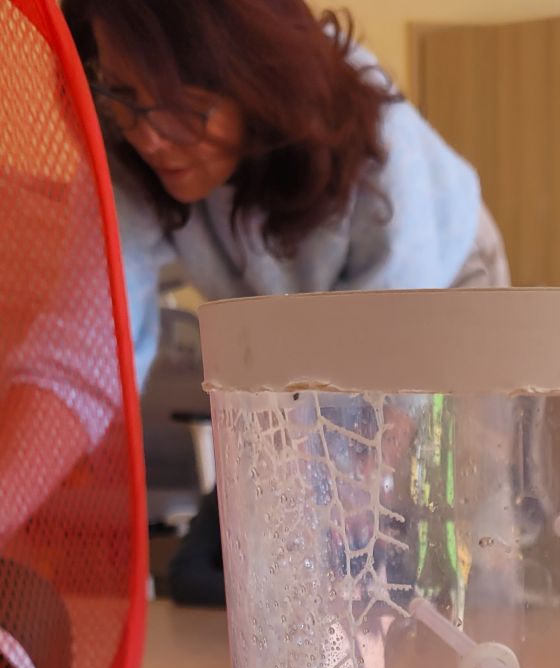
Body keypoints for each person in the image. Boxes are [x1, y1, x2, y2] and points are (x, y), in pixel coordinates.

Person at [63, 0, 510, 605]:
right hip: (300, 320)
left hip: (444, 293)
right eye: (122, 94)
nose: (151, 138)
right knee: (301, 530)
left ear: (255, 84)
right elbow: (87, 353)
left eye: (188, 108)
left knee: (450, 534)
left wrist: (355, 490)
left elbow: (396, 357)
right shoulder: (127, 139)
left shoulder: (375, 139)